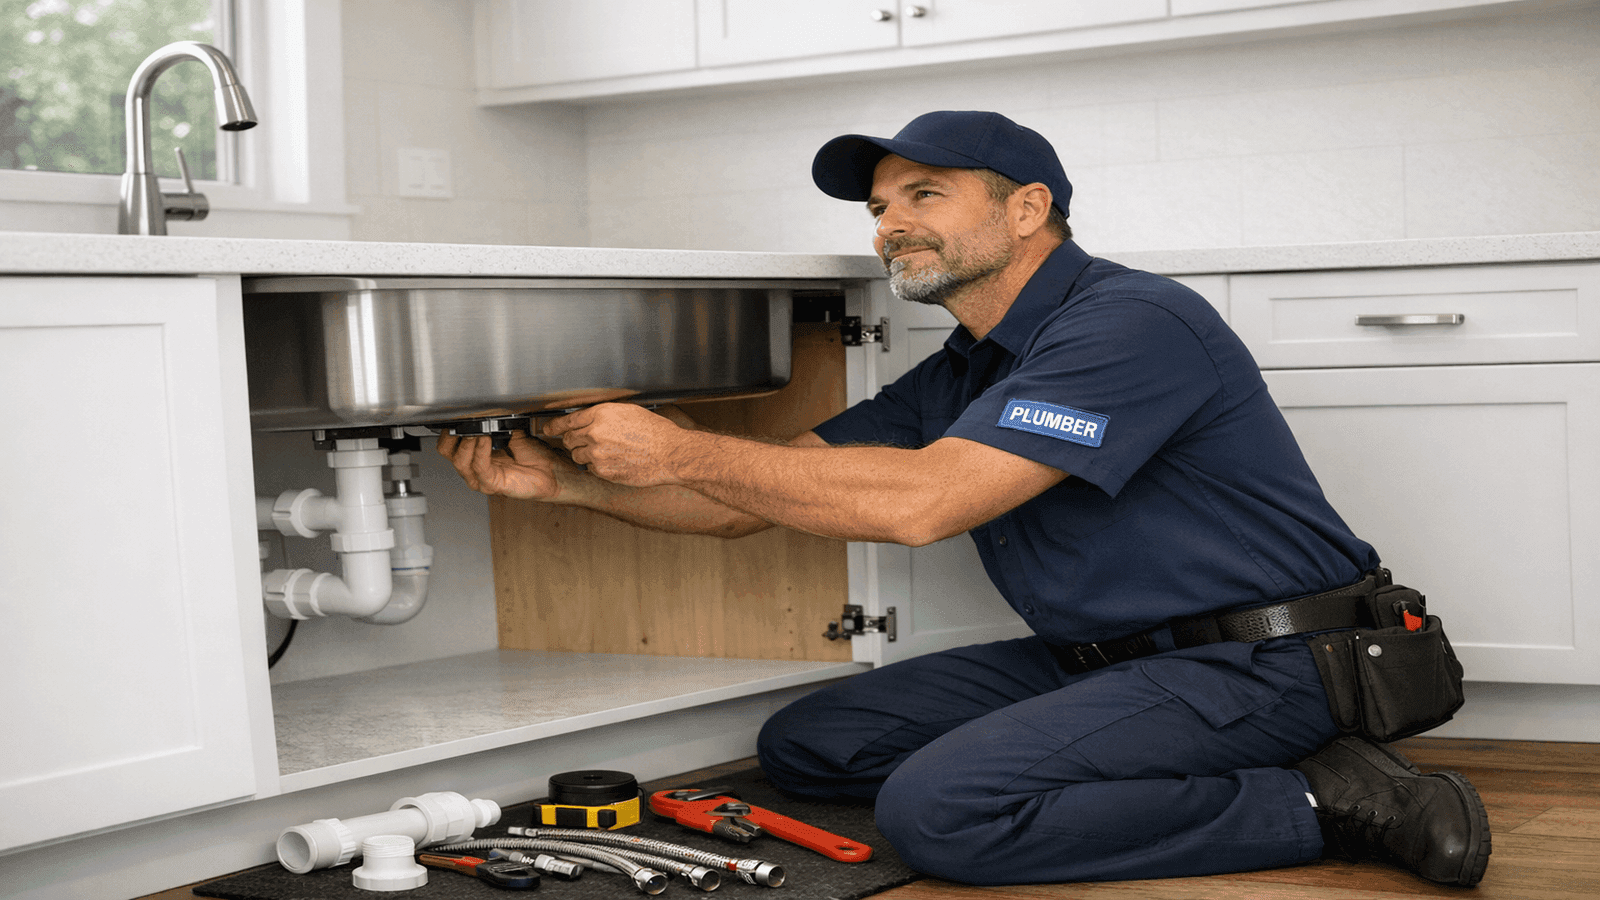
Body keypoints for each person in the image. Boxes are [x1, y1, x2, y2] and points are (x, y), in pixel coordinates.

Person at [439, 110, 1490, 887]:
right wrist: (568, 486)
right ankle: (1176, 759)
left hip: (1271, 660)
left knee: (942, 816)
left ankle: (1334, 797)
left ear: (1027, 208)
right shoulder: (967, 366)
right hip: (1104, 656)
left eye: (924, 195)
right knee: (811, 746)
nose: (890, 227)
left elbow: (924, 503)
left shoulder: (1132, 322)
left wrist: (673, 447)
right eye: (880, 208)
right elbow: (742, 501)